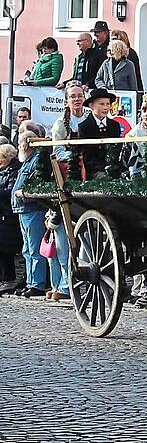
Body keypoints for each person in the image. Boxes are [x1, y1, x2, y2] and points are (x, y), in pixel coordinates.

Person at [11, 129, 48, 297]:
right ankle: (31, 281)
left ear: (26, 144)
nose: (19, 146)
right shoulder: (27, 160)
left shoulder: (35, 161)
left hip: (32, 210)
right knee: (27, 249)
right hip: (23, 210)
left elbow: (34, 184)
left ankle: (37, 283)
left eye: (20, 143)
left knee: (34, 248)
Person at [77, 88, 121, 179]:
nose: (105, 107)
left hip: (114, 167)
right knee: (105, 178)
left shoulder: (115, 125)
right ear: (91, 106)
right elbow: (88, 156)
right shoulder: (84, 127)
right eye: (101, 104)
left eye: (108, 104)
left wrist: (113, 166)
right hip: (94, 170)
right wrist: (103, 168)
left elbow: (117, 149)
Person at [0, 143, 21, 295]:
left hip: (9, 214)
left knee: (6, 249)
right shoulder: (4, 170)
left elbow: (11, 192)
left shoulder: (13, 170)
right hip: (3, 212)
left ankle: (8, 279)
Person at [51, 82, 88, 163]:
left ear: (84, 99)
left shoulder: (89, 120)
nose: (77, 99)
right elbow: (58, 153)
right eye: (72, 96)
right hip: (70, 167)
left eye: (80, 96)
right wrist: (76, 156)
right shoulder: (60, 123)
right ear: (67, 102)